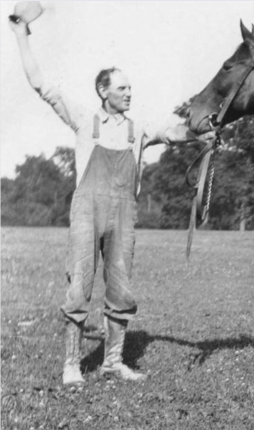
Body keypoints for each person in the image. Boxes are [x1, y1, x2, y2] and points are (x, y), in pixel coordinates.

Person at [9, 16, 210, 386]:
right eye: (122, 88)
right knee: (79, 286)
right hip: (87, 211)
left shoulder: (139, 129)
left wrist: (201, 135)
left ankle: (113, 362)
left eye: (131, 87)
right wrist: (21, 35)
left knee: (120, 287)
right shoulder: (85, 120)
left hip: (124, 215)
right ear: (104, 92)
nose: (130, 93)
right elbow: (42, 85)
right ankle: (72, 365)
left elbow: (174, 131)